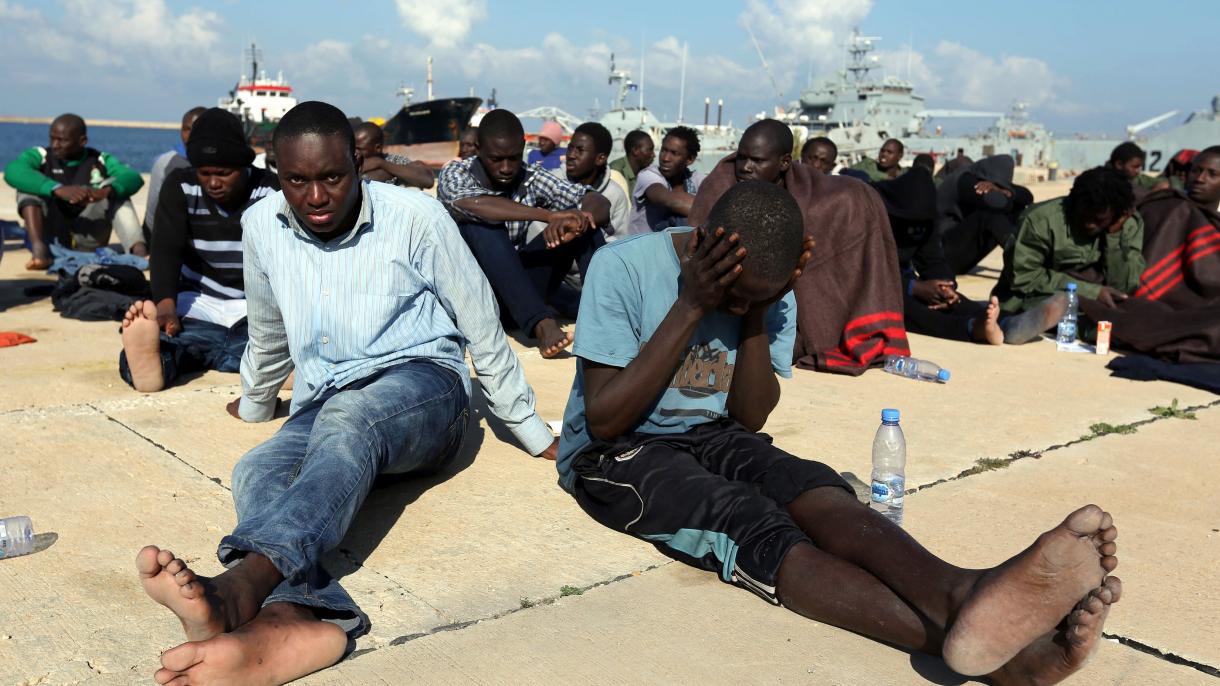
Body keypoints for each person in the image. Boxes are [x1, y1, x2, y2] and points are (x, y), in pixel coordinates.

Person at [557, 179, 1121, 686]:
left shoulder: (769, 291)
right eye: (735, 295)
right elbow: (606, 419)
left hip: (716, 432)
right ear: (706, 243)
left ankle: (964, 594)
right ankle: (995, 651)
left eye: (754, 297)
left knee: (811, 487)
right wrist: (692, 305)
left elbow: (750, 417)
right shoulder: (624, 268)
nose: (736, 306)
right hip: (619, 455)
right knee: (749, 522)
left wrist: (756, 310)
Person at [136, 101, 557, 686]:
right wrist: (256, 400)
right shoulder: (262, 225)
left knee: (351, 420)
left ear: (357, 164)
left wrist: (531, 429)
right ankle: (295, 622)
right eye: (297, 180)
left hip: (425, 389)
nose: (315, 197)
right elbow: (269, 329)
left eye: (331, 177)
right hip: (326, 397)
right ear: (275, 172)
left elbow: (481, 324)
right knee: (256, 469)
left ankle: (241, 589)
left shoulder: (415, 218)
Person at [689, 119, 910, 375]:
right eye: (742, 158)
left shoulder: (808, 198)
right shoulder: (719, 188)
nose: (746, 168)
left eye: (757, 161)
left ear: (784, 162)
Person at [118, 108, 277, 393]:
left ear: (243, 165)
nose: (213, 182)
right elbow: (166, 249)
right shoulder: (181, 185)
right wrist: (165, 304)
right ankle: (157, 364)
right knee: (175, 343)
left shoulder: (270, 191)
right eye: (205, 173)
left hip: (254, 307)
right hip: (198, 303)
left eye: (224, 173)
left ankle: (275, 364)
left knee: (268, 342)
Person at [436, 109, 611, 358]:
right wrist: (547, 216)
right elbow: (474, 205)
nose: (506, 168)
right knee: (484, 224)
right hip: (470, 299)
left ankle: (605, 314)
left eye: (514, 158)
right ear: (478, 148)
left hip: (514, 297)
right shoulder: (455, 173)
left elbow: (595, 199)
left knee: (578, 221)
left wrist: (580, 219)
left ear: (522, 148)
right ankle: (542, 325)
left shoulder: (530, 177)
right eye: (497, 159)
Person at [874, 166, 1067, 345]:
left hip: (901, 279)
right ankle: (973, 329)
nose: (914, 227)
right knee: (912, 309)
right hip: (872, 286)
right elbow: (861, 271)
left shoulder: (924, 217)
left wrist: (945, 285)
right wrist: (914, 287)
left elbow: (932, 259)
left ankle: (1008, 322)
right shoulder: (871, 214)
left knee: (953, 301)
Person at [1082, 146, 1220, 362]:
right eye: (1196, 170)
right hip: (1144, 297)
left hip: (1201, 305)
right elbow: (1142, 263)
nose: (1200, 178)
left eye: (1212, 174)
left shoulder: (1213, 223)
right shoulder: (1169, 206)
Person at [993, 167, 1144, 317]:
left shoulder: (1125, 224)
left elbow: (1123, 288)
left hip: (1099, 302)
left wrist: (1114, 236)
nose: (1089, 224)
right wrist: (1091, 291)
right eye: (1083, 215)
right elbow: (1023, 277)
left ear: (1117, 214)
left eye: (1099, 219)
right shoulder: (1040, 221)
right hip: (1031, 299)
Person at [4, 113, 145, 268]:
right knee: (27, 188)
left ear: (82, 141)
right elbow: (13, 171)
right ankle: (39, 252)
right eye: (52, 138)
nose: (55, 144)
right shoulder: (41, 156)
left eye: (62, 140)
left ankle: (138, 251)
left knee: (117, 189)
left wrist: (105, 191)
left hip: (88, 239)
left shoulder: (99, 160)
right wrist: (56, 188)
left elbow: (133, 177)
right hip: (51, 239)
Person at [936, 155, 1035, 274]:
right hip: (940, 259)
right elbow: (998, 203)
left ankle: (1032, 255)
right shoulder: (965, 181)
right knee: (991, 215)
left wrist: (1006, 191)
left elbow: (1027, 197)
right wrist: (1002, 192)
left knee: (1018, 210)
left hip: (961, 255)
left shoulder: (986, 179)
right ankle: (1027, 261)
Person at [145, 106, 206, 243]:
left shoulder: (220, 165)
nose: (189, 136)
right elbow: (153, 210)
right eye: (186, 129)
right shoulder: (166, 163)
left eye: (196, 129)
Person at [560, 122, 630, 240]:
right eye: (570, 147)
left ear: (600, 158)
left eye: (580, 150)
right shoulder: (552, 181)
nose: (571, 155)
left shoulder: (615, 195)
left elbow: (617, 241)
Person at [630, 126, 704, 235]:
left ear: (689, 159)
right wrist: (712, 210)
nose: (665, 158)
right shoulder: (648, 175)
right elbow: (669, 200)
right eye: (663, 150)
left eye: (674, 153)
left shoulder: (695, 179)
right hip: (641, 247)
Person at [352, 121, 435, 189]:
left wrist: (381, 163)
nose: (355, 152)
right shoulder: (351, 162)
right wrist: (387, 173)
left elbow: (427, 181)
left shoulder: (393, 160)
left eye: (359, 149)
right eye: (353, 148)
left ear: (378, 148)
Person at [608, 129, 655, 198]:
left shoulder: (643, 172)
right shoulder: (616, 171)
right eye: (649, 150)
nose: (653, 155)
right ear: (635, 151)